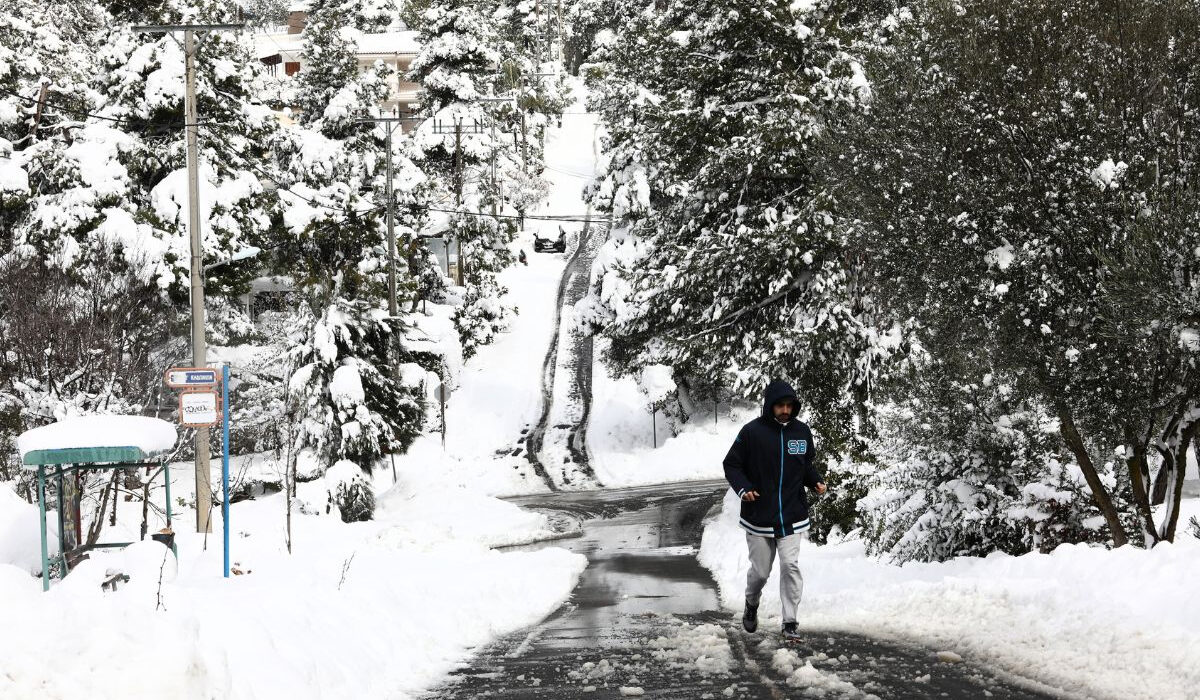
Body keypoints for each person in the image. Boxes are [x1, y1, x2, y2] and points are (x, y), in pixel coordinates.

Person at [722, 379, 826, 643]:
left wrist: (814, 480)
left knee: (790, 566)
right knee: (761, 571)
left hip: (792, 514)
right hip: (759, 516)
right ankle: (751, 602)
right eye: (780, 405)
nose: (785, 410)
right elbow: (731, 465)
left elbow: (804, 465)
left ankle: (790, 622)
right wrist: (744, 488)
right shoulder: (751, 433)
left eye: (789, 406)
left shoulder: (802, 432)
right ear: (770, 406)